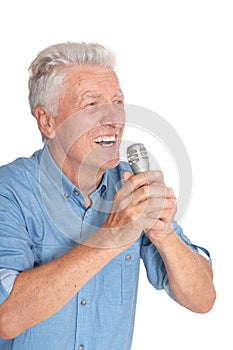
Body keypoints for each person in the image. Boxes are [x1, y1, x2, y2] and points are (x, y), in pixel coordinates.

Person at [0, 42, 216, 350]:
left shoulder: (130, 186)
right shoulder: (8, 192)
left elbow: (203, 299)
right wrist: (111, 236)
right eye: (91, 106)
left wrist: (164, 234)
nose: (113, 119)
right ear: (47, 121)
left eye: (117, 102)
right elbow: (6, 318)